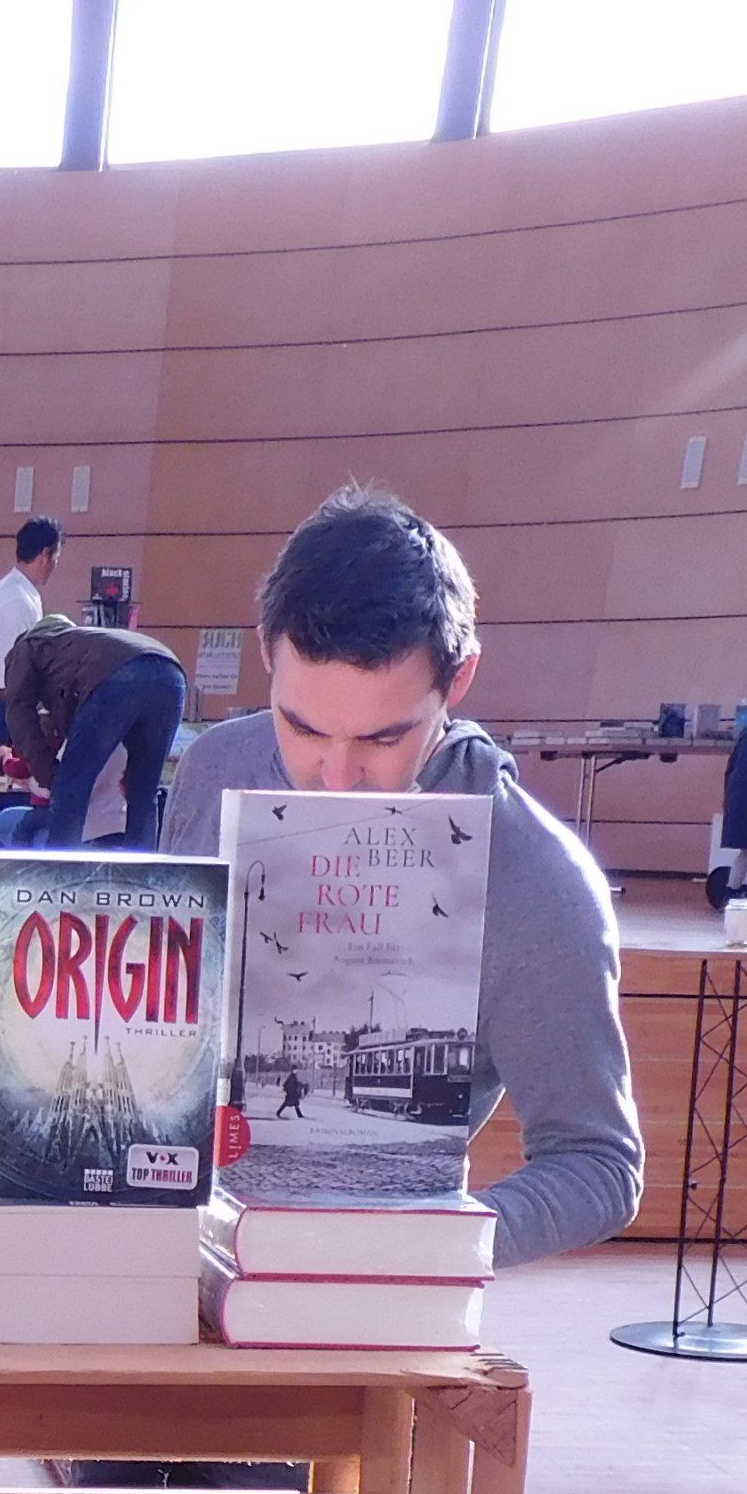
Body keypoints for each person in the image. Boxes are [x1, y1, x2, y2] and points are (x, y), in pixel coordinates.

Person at [166, 483, 644, 1270]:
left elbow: (600, 1165)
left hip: (377, 1305)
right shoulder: (215, 766)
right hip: (172, 1253)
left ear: (457, 682)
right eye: (302, 726)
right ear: (265, 652)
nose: (338, 775)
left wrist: (428, 1247)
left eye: (385, 737)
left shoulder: (539, 881)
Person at [0, 615, 189, 854]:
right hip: (172, 674)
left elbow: (19, 716)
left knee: (71, 790)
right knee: (143, 792)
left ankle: (60, 878)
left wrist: (52, 777)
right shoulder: (85, 646)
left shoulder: (27, 647)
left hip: (119, 675)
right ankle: (143, 880)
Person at [0, 517, 60, 748]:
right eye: (56, 559)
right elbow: (22, 664)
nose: (55, 567)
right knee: (26, 778)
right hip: (13, 704)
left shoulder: (13, 589)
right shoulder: (18, 598)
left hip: (5, 701)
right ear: (45, 554)